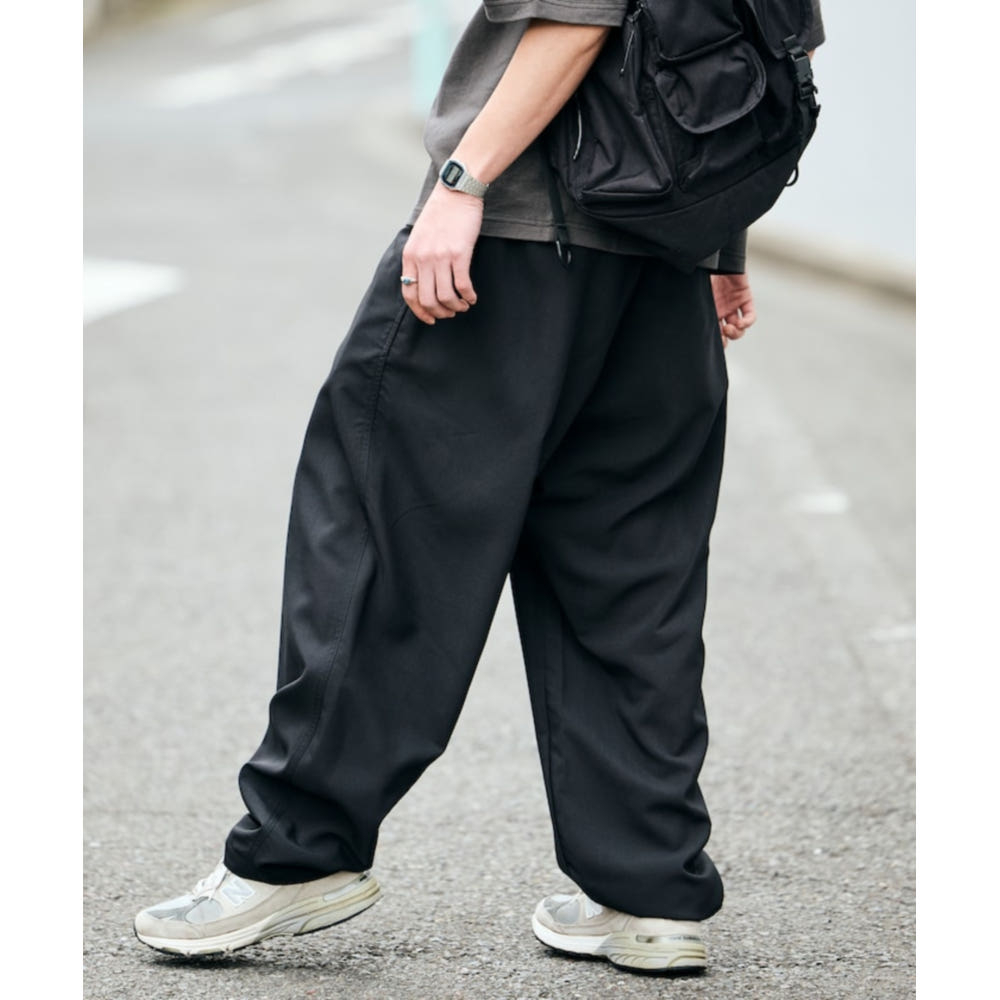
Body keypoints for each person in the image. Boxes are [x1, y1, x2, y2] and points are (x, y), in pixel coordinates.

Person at [133, 0, 825, 974]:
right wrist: (721, 243)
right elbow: (752, 39)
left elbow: (578, 16)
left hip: (524, 231)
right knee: (631, 574)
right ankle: (648, 892)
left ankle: (297, 850)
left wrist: (463, 182)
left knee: (382, 537)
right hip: (665, 253)